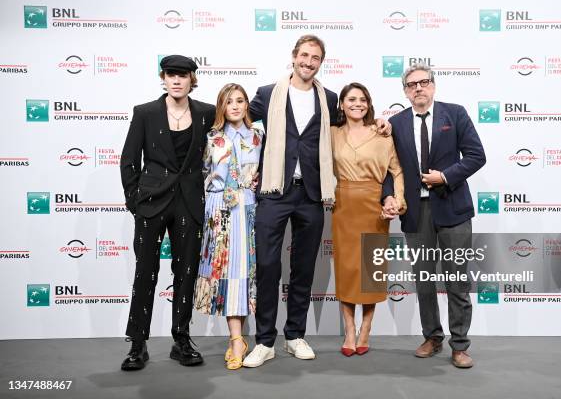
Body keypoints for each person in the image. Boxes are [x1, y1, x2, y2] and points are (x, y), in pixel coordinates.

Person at [242, 35, 392, 368]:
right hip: (273, 192)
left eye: (316, 58)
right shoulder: (268, 94)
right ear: (294, 57)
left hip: (311, 194)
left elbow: (354, 125)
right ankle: (264, 341)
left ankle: (295, 335)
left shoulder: (329, 98)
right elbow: (237, 122)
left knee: (303, 268)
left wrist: (380, 121)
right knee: (267, 267)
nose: (309, 62)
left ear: (321, 63)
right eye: (305, 55)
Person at [119, 55, 215, 371]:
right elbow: (129, 160)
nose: (176, 80)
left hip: (189, 202)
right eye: (170, 75)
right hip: (152, 202)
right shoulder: (145, 113)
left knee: (186, 272)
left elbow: (242, 120)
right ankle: (137, 343)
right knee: (145, 272)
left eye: (182, 75)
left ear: (192, 79)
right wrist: (135, 202)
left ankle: (181, 340)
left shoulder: (206, 113)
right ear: (163, 78)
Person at [388, 63, 486, 368]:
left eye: (424, 82)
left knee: (456, 279)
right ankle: (432, 336)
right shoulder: (396, 123)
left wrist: (445, 177)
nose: (418, 88)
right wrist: (388, 195)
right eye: (412, 84)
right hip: (416, 213)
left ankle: (460, 345)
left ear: (433, 85)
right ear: (405, 91)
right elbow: (390, 169)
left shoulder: (455, 113)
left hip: (453, 208)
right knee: (424, 279)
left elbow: (476, 156)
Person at [331, 83, 405, 357]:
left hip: (374, 206)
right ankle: (349, 331)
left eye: (363, 99)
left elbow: (396, 171)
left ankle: (366, 329)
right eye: (351, 99)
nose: (357, 104)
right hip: (343, 205)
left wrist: (396, 200)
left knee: (370, 272)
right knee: (348, 271)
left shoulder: (382, 132)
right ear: (341, 104)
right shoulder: (332, 134)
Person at [194, 83, 263, 370]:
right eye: (228, 101)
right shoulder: (211, 137)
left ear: (247, 105)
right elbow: (199, 173)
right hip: (218, 209)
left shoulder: (259, 135)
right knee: (223, 271)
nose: (235, 106)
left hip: (247, 208)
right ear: (221, 106)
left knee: (244, 273)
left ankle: (238, 339)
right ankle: (236, 339)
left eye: (240, 100)